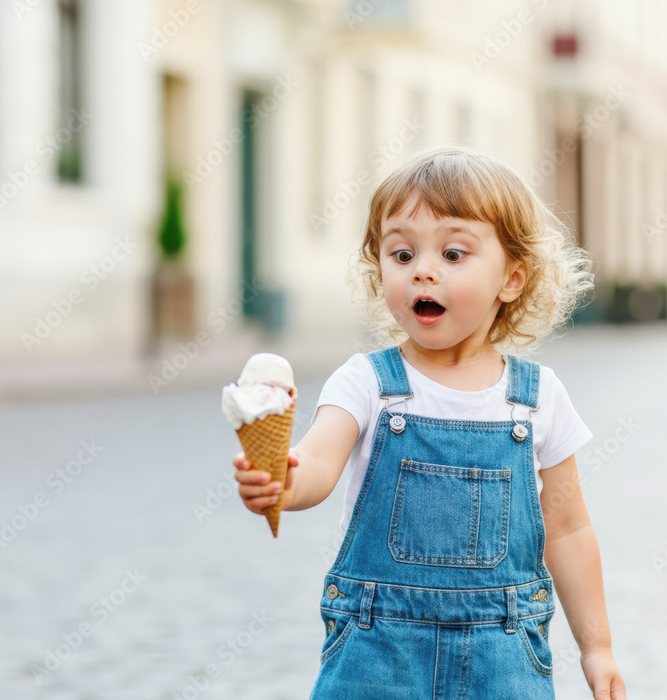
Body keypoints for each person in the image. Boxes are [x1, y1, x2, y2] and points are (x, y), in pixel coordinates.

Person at [232, 145, 626, 699]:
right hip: (378, 653)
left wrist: (597, 645)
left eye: (454, 253)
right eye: (401, 254)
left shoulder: (538, 400)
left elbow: (568, 528)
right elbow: (318, 463)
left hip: (503, 657)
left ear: (512, 278)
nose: (423, 270)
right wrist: (281, 481)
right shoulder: (367, 382)